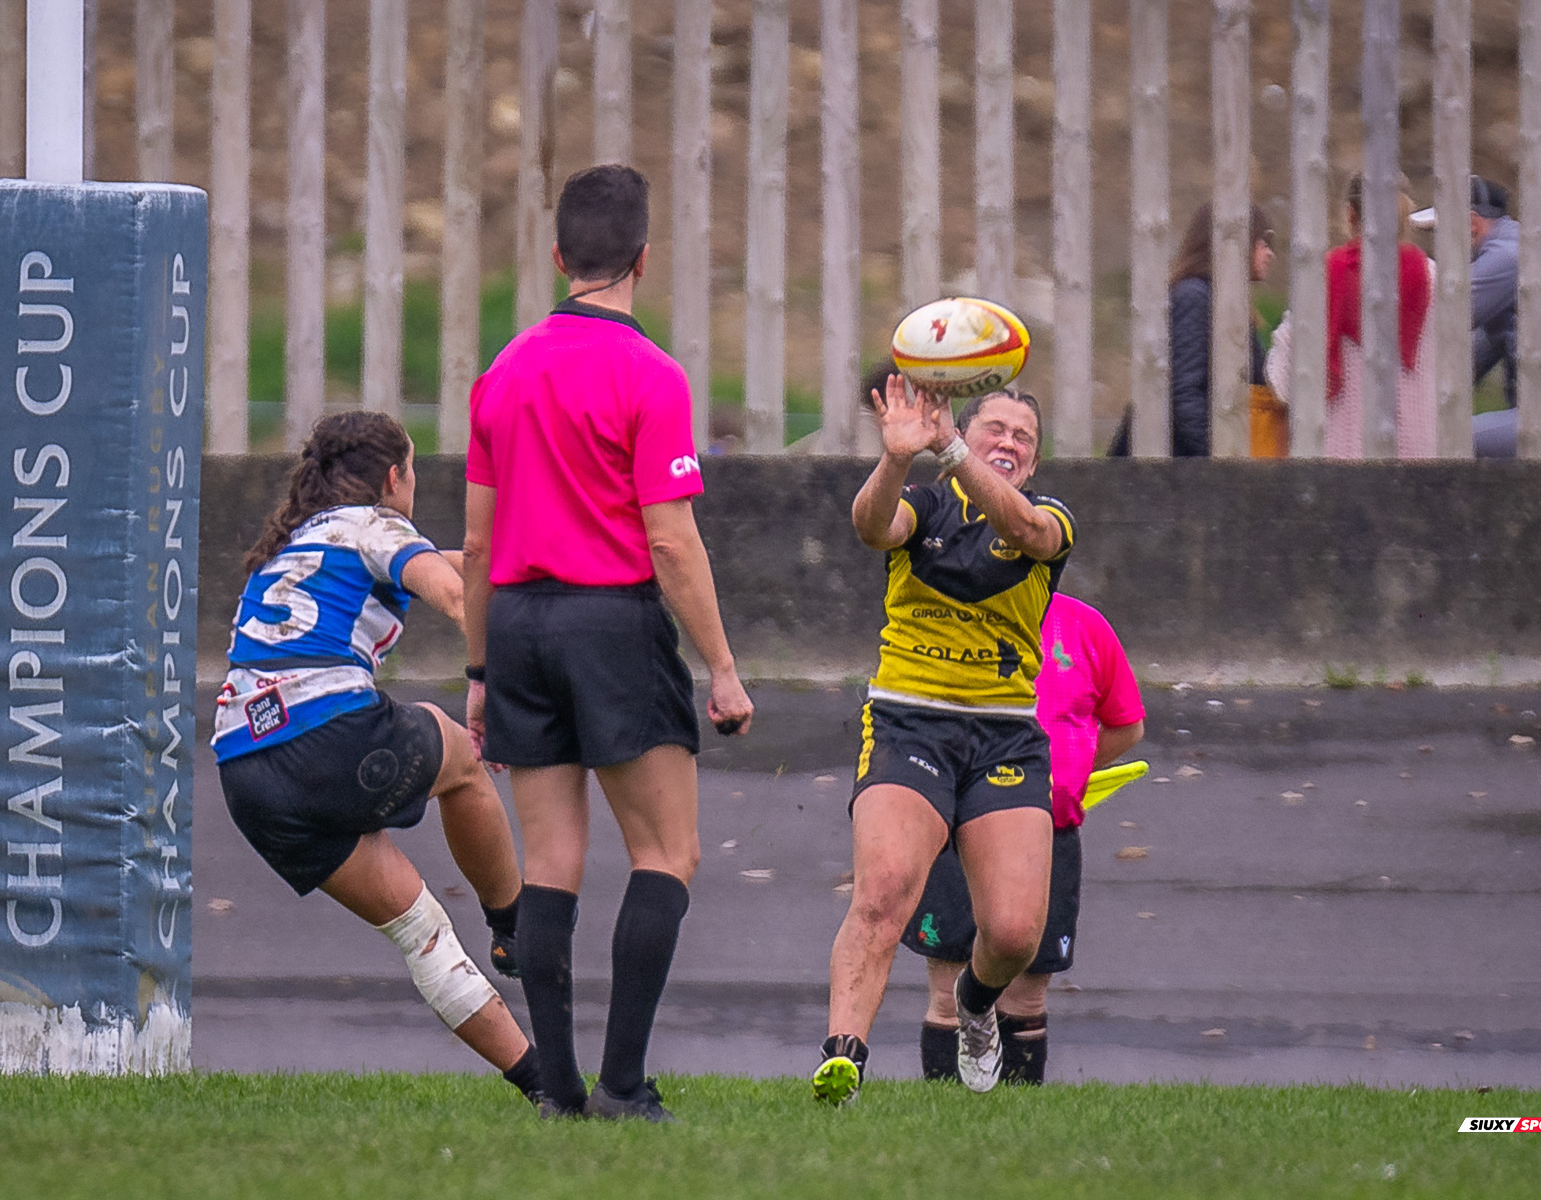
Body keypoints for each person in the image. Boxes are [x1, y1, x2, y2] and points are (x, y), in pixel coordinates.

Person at [462, 164, 755, 1123]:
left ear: (558, 259)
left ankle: (557, 1089)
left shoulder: (501, 371)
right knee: (666, 850)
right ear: (641, 258)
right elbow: (670, 539)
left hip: (515, 620)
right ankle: (624, 1084)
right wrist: (720, 665)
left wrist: (477, 670)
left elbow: (472, 539)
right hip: (608, 621)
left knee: (549, 862)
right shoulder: (651, 375)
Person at [212, 411, 543, 1105]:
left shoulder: (294, 544)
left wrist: (519, 571)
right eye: (414, 471)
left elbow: (462, 570)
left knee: (419, 930)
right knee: (461, 757)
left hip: (245, 772)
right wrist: (495, 679)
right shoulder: (377, 525)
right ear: (394, 478)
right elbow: (454, 593)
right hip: (325, 731)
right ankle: (514, 926)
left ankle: (544, 1088)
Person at [814, 379, 1074, 1105]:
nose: (1009, 443)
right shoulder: (925, 504)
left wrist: (954, 450)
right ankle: (844, 1060)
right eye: (996, 428)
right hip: (909, 720)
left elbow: (1025, 533)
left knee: (1017, 933)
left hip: (1004, 736)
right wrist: (896, 458)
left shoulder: (1048, 515)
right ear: (966, 432)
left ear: (1036, 458)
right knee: (884, 892)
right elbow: (872, 527)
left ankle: (974, 1003)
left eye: (1023, 436)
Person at [902, 591, 1144, 1084]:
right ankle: (943, 1126)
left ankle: (1017, 1125)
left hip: (1050, 831)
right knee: (949, 992)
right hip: (954, 827)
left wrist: (1062, 773)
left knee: (1027, 994)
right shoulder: (946, 614)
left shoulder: (1084, 626)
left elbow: (1126, 726)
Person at [1411, 176, 1541, 458]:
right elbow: (1473, 356)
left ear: (1471, 223)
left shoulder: (1509, 255)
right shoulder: (1522, 248)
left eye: (1439, 232)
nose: (1438, 245)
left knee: (1431, 441)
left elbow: (1431, 320)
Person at [1266, 175, 1437, 457]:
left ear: (1349, 213)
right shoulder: (1433, 279)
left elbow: (1284, 376)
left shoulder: (1324, 276)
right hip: (1416, 455)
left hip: (1339, 454)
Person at [1168, 202, 1277, 456]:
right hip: (1185, 471)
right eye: (1262, 242)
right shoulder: (1194, 297)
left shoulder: (1219, 300)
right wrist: (1223, 459)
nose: (1270, 254)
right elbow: (1184, 394)